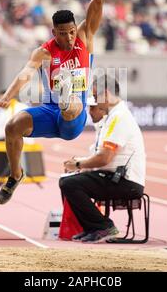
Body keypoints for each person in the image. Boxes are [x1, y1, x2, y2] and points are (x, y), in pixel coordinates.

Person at [0, 0, 104, 204]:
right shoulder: (44, 51)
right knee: (13, 127)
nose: (69, 37)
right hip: (50, 112)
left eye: (72, 31)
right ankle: (15, 175)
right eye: (63, 33)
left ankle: (66, 100)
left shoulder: (84, 39)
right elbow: (25, 74)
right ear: (54, 32)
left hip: (74, 116)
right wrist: (6, 98)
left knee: (69, 101)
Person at [59, 76, 146, 243]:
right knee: (69, 180)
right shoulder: (111, 117)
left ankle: (103, 226)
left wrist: (78, 164)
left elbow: (104, 158)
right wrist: (81, 164)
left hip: (125, 182)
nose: (95, 105)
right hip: (114, 177)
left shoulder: (119, 117)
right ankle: (92, 227)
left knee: (70, 183)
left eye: (95, 96)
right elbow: (100, 155)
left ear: (105, 94)